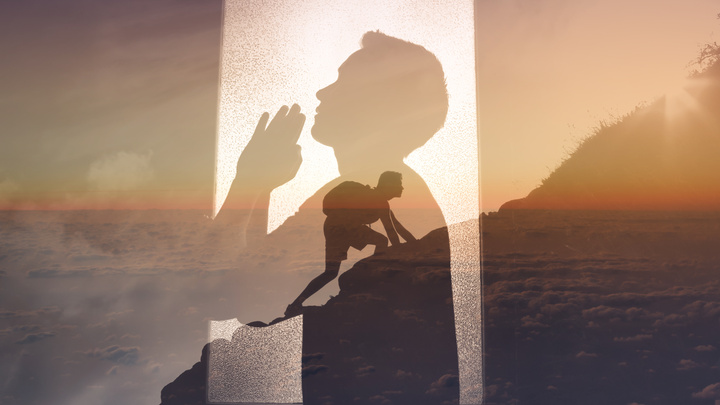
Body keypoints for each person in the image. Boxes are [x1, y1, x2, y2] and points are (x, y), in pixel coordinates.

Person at [284, 171, 415, 316]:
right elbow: (392, 232)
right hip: (345, 229)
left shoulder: (379, 200)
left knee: (330, 272)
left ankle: (295, 304)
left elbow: (397, 228)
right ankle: (374, 275)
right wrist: (403, 251)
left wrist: (415, 244)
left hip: (332, 227)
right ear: (389, 185)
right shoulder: (380, 202)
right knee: (381, 241)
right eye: (399, 184)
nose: (402, 188)